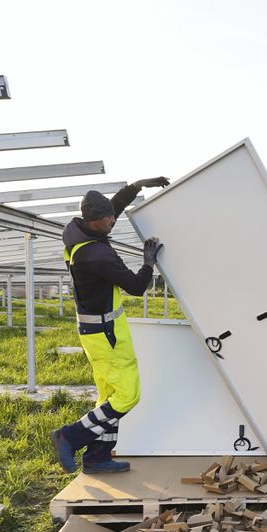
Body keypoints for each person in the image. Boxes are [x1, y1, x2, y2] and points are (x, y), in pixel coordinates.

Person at [51, 177, 169, 474]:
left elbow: (111, 208)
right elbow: (136, 287)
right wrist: (148, 262)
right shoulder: (96, 255)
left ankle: (97, 458)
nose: (113, 221)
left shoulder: (80, 233)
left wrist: (136, 186)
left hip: (96, 330)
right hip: (106, 335)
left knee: (109, 397)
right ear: (96, 222)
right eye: (109, 219)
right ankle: (70, 436)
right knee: (127, 396)